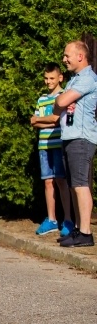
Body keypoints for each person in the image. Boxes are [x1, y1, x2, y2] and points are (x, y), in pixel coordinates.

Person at [55, 40, 97, 247]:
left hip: (81, 138)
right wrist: (61, 100)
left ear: (80, 56)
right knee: (74, 185)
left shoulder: (87, 78)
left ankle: (86, 234)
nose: (64, 59)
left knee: (80, 184)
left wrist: (62, 99)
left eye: (67, 55)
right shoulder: (74, 80)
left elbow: (60, 102)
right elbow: (57, 108)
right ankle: (79, 230)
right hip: (70, 136)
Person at [30, 63, 73, 237]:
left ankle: (68, 219)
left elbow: (57, 119)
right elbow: (34, 122)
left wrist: (41, 120)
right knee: (48, 182)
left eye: (52, 78)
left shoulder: (63, 96)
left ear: (60, 78)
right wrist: (43, 121)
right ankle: (51, 219)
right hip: (44, 145)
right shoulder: (42, 99)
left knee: (61, 180)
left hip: (58, 144)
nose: (48, 81)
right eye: (46, 78)